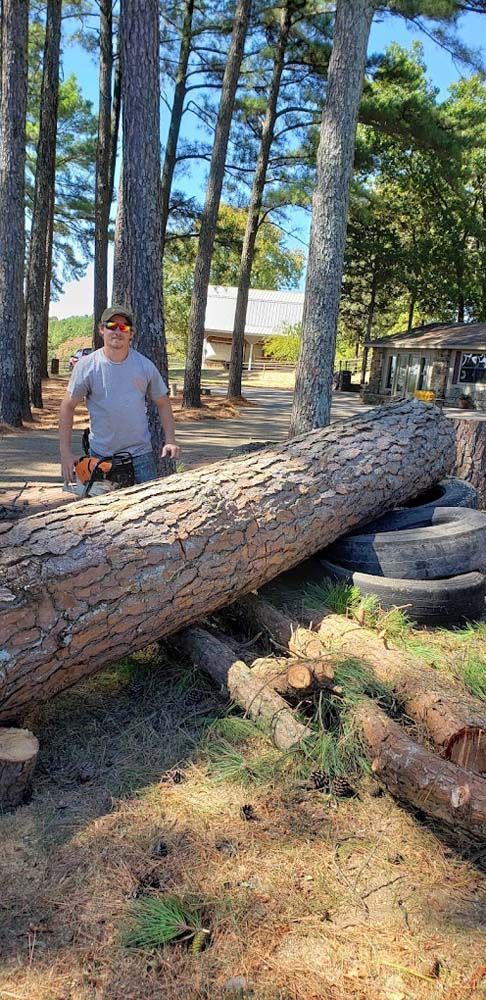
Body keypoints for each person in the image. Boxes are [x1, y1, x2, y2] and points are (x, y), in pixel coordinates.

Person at [59, 305, 180, 485]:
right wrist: (66, 454)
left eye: (123, 327)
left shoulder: (145, 366)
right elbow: (67, 406)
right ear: (101, 329)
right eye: (111, 326)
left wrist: (170, 440)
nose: (117, 331)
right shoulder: (86, 367)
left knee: (149, 503)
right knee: (101, 504)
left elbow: (163, 402)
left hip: (141, 457)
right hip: (100, 456)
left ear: (131, 333)